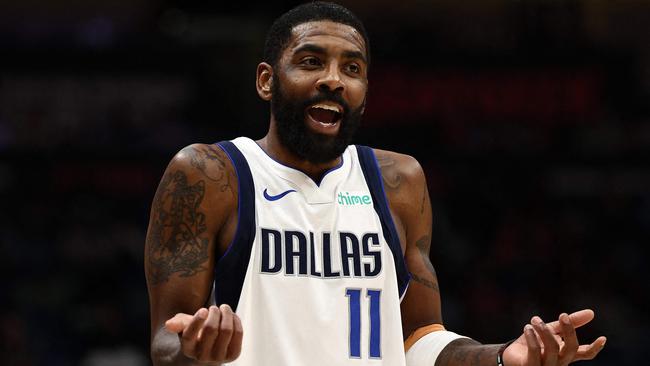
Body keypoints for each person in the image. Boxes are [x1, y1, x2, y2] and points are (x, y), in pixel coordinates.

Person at [144, 2, 607, 365]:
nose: (334, 80)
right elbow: (167, 340)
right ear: (267, 80)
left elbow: (420, 339)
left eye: (352, 68)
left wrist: (503, 356)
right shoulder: (210, 173)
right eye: (310, 61)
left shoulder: (398, 181)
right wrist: (196, 348)